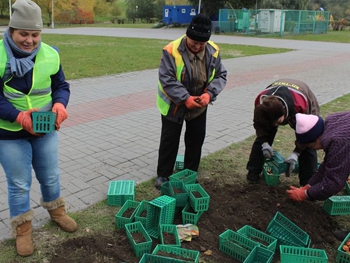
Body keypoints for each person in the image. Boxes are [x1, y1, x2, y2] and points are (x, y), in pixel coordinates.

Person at [0, 0, 78, 256]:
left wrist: (60, 105)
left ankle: (57, 212)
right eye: (24, 34)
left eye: (35, 34)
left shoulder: (50, 54)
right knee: (20, 183)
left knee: (50, 175)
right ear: (12, 31)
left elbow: (61, 86)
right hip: (9, 133)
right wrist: (18, 116)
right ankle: (22, 231)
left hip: (44, 129)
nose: (30, 40)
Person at [155, 14, 227, 189]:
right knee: (169, 141)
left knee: (196, 140)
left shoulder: (213, 50)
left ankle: (190, 173)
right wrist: (185, 98)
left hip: (199, 104)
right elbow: (167, 79)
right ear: (187, 36)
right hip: (174, 104)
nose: (197, 47)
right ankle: (163, 175)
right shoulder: (171, 50)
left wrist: (209, 94)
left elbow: (220, 75)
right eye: (194, 43)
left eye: (201, 44)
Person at [286, 112, 350, 240]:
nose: (313, 149)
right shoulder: (331, 125)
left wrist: (305, 194)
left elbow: (333, 183)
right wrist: (308, 186)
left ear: (316, 138)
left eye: (310, 146)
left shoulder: (338, 141)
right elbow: (329, 164)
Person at [246, 78, 320, 185]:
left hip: (303, 97)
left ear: (284, 112)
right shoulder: (261, 105)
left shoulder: (301, 106)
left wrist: (296, 154)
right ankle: (253, 172)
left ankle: (307, 183)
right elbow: (259, 124)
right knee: (264, 134)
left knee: (309, 143)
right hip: (276, 102)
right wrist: (264, 143)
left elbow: (308, 134)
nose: (276, 125)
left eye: (278, 122)